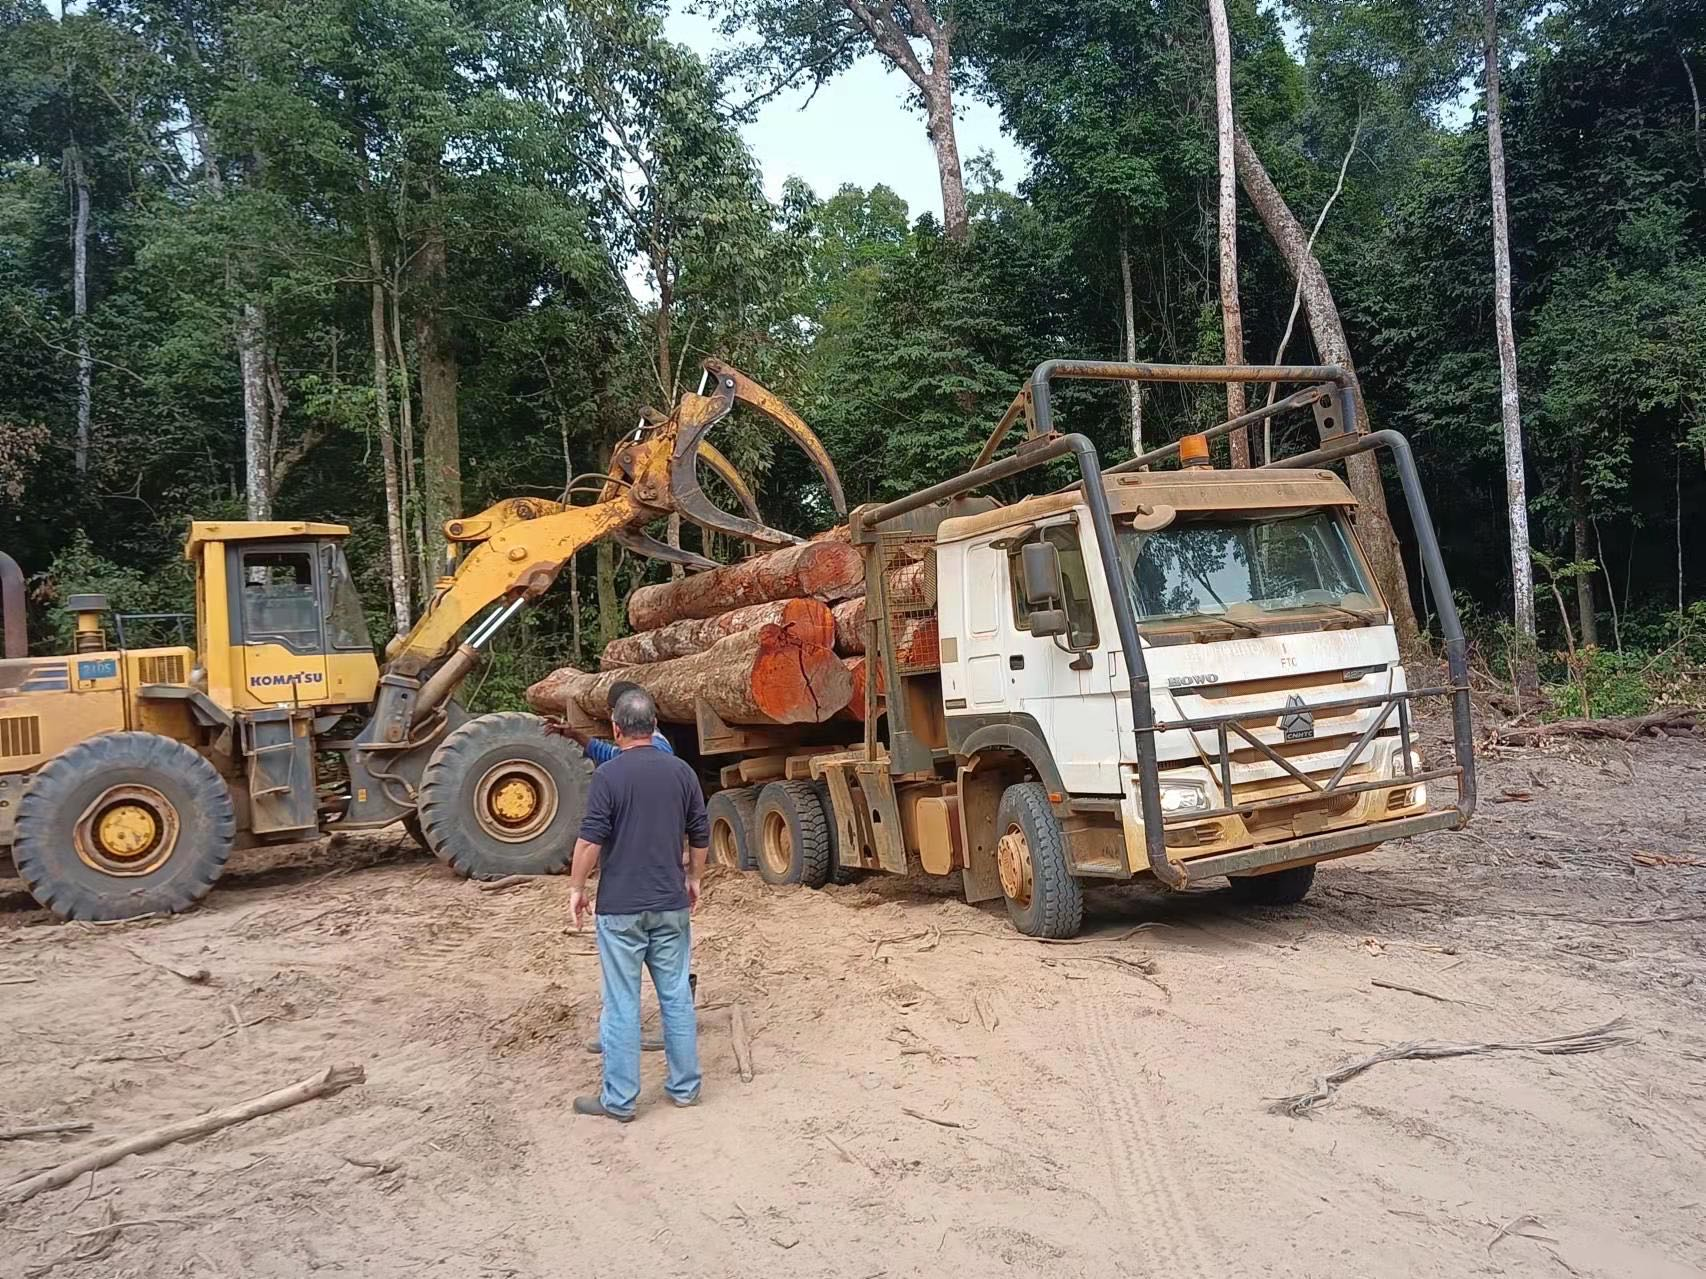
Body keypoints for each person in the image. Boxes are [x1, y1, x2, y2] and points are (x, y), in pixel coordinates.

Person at [568, 686, 708, 1122]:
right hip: (670, 903)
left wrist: (577, 889)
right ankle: (685, 1089)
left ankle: (620, 1100)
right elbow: (700, 833)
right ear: (655, 725)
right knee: (676, 998)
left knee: (622, 1003)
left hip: (621, 908)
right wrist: (695, 879)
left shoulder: (609, 777)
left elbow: (590, 841)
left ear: (616, 728)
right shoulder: (681, 772)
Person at [580, 680, 673, 766]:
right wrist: (575, 735)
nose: (607, 712)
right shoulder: (637, 746)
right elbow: (610, 753)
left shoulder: (659, 748)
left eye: (609, 709)